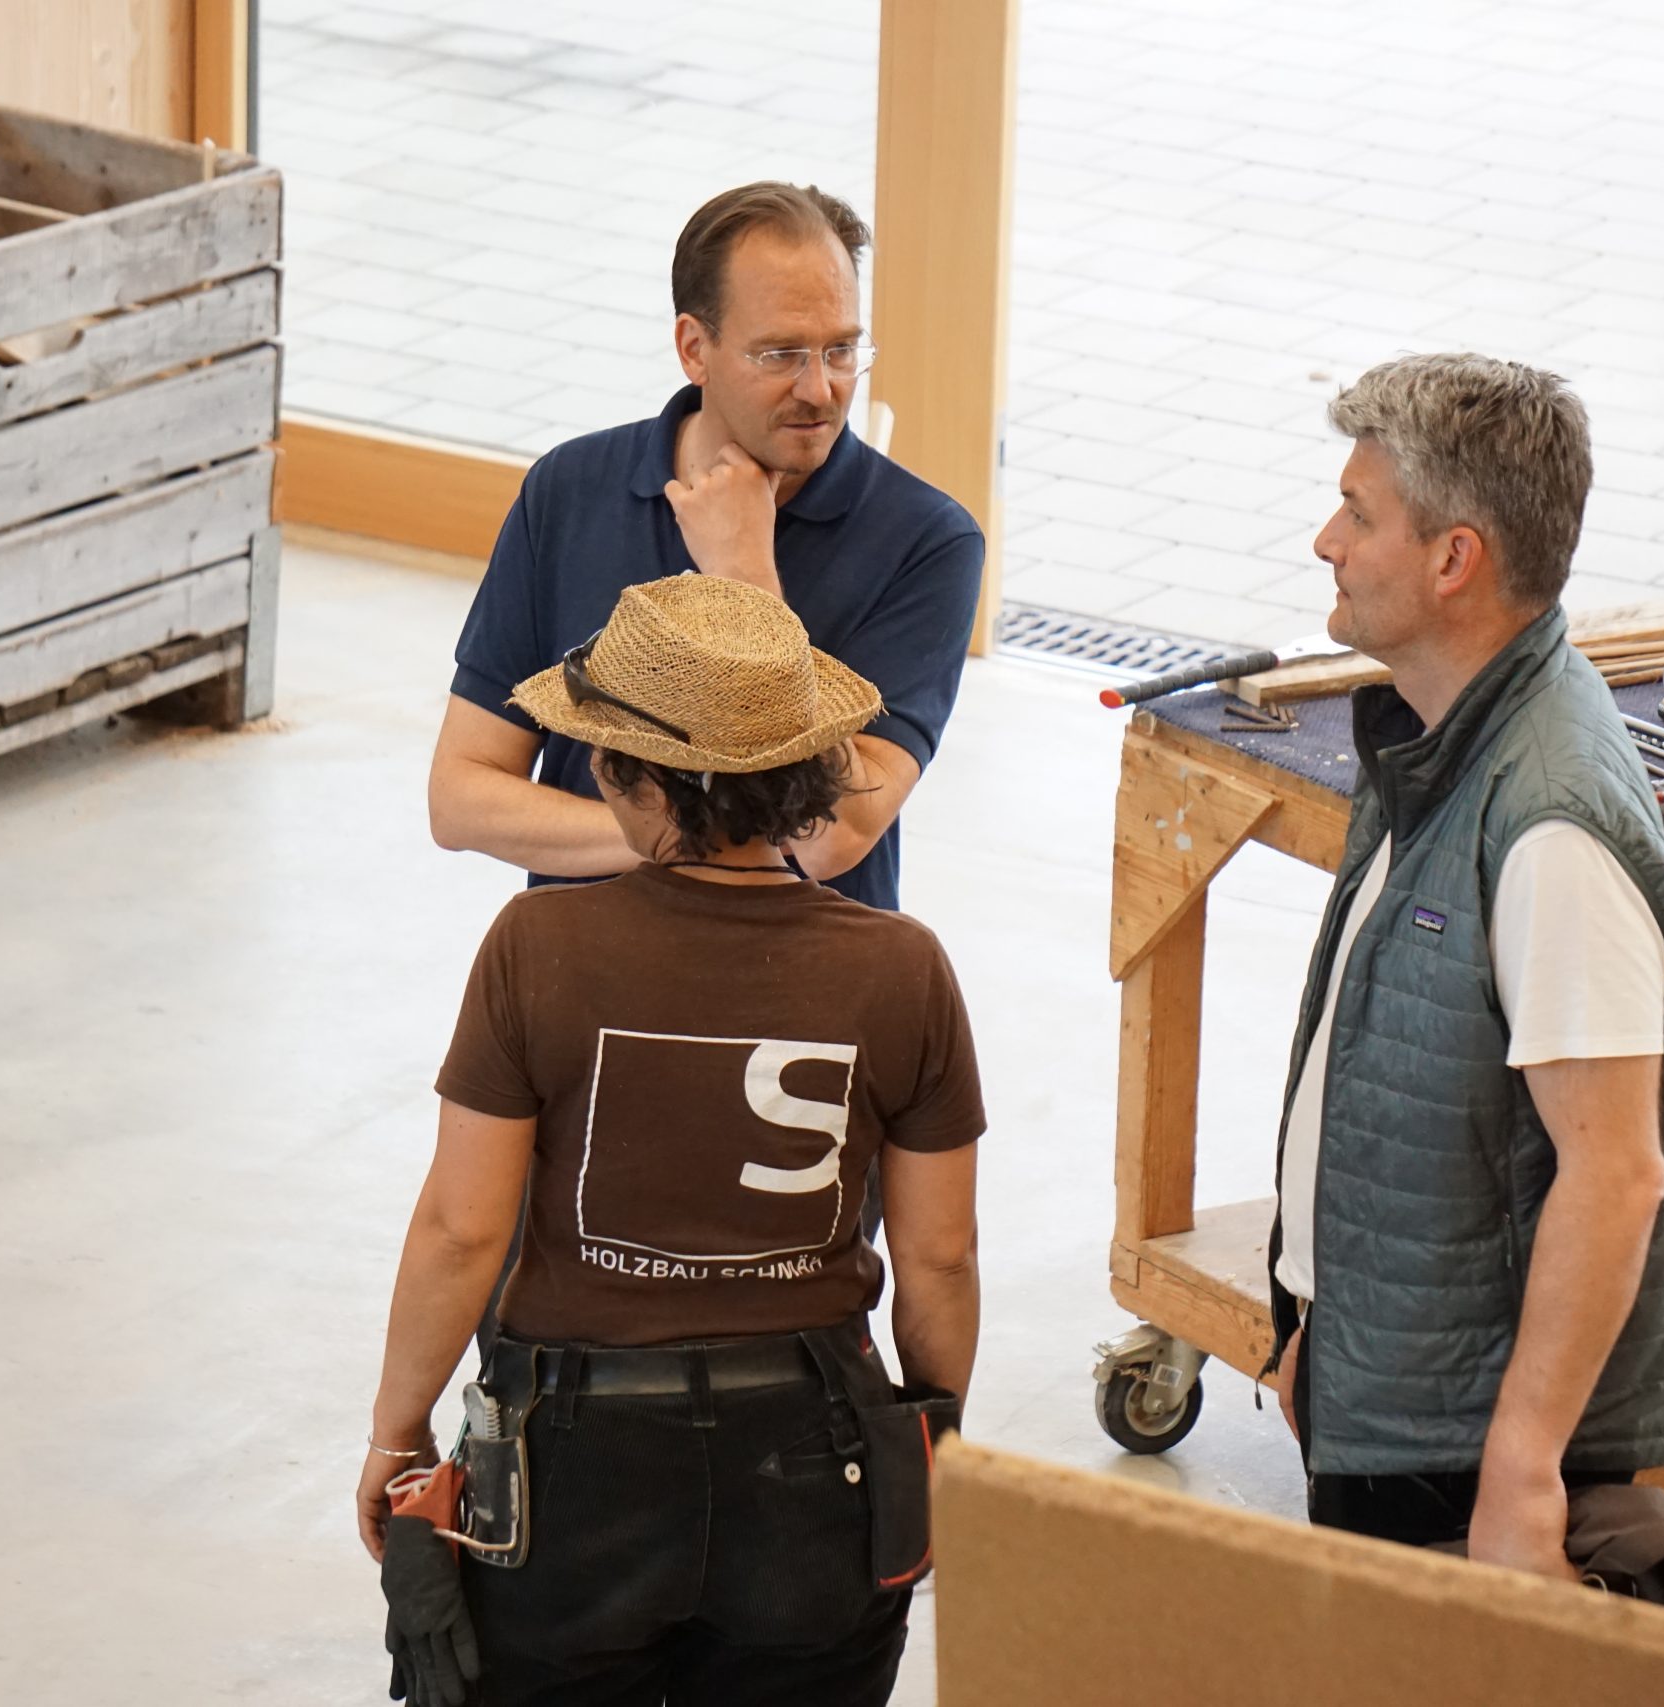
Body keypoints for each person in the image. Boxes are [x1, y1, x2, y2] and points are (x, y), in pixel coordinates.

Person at [364, 574, 986, 1705]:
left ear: (632, 779)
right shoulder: (901, 966)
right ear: (804, 777)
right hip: (815, 1458)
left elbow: (463, 1230)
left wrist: (395, 1430)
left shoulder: (537, 945)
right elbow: (939, 1257)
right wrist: (932, 1436)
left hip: (577, 1472)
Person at [1262, 353, 1664, 1574]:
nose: (1326, 539)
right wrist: (1318, 1324)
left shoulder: (1549, 824)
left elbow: (1614, 1171)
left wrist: (1522, 1470)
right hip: (1402, 1383)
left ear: (1453, 559)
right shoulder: (1448, 735)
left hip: (1458, 1438)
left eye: (1359, 513)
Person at [427, 181, 986, 914]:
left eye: (842, 350)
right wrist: (670, 841)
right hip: (591, 966)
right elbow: (461, 795)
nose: (821, 389)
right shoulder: (570, 488)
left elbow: (837, 834)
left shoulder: (929, 542)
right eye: (781, 353)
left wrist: (746, 575)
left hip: (806, 987)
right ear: (695, 348)